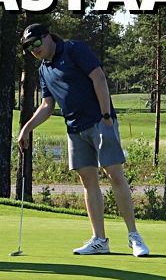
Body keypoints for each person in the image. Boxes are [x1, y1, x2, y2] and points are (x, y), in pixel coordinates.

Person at [15, 24, 151, 257]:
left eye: (36, 43)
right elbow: (47, 106)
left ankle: (134, 236)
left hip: (99, 121)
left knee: (114, 174)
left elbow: (98, 77)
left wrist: (106, 115)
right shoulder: (43, 70)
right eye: (28, 47)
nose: (34, 49)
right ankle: (99, 239)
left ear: (48, 38)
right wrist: (27, 128)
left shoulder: (73, 49)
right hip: (74, 129)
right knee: (88, 181)